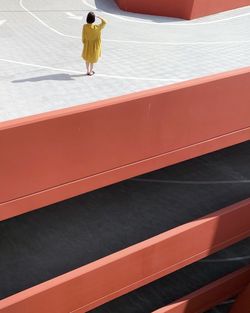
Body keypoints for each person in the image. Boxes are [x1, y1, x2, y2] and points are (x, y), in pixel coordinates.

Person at [82, 12, 107, 76]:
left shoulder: (85, 26)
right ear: (93, 19)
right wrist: (99, 17)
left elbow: (83, 35)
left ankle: (87, 71)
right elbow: (105, 22)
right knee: (92, 59)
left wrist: (84, 42)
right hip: (94, 46)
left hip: (87, 44)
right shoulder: (97, 27)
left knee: (87, 58)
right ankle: (90, 71)